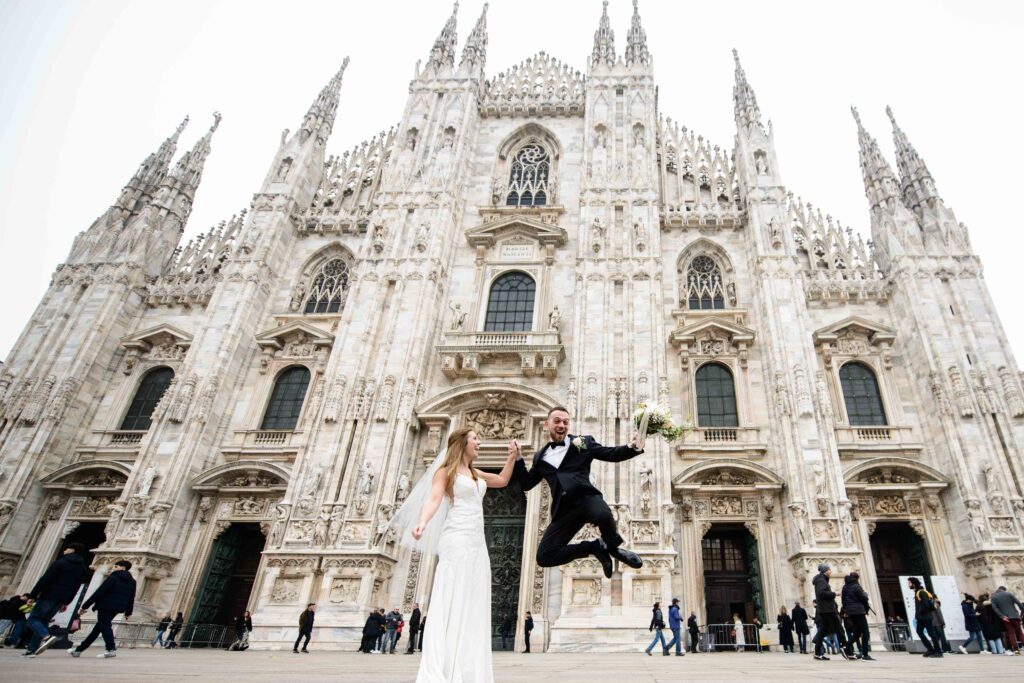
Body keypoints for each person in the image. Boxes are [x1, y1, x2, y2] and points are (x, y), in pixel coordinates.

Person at [394, 427, 520, 683]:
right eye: (476, 438)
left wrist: (511, 457)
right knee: (453, 592)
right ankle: (444, 664)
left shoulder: (476, 473)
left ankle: (464, 663)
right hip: (456, 537)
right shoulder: (445, 472)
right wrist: (422, 522)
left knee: (473, 596)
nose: (480, 442)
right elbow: (433, 499)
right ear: (462, 443)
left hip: (476, 541)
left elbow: (503, 481)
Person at [513, 407, 644, 579]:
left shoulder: (583, 442)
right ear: (547, 424)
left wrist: (633, 447)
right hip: (564, 509)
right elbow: (527, 483)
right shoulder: (540, 457)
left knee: (604, 515)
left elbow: (611, 453)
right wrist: (518, 459)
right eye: (557, 421)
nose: (562, 425)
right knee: (544, 556)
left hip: (585, 497)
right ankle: (595, 547)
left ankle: (613, 549)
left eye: (565, 422)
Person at [23, 542, 88, 657]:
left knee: (33, 619)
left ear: (72, 550)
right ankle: (32, 649)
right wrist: (67, 602)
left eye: (67, 548)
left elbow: (45, 579)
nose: (64, 550)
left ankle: (46, 636)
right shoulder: (82, 567)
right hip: (61, 599)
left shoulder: (61, 562)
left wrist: (32, 595)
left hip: (49, 595)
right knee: (43, 621)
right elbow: (76, 586)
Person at [68, 559, 136, 659]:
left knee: (105, 626)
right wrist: (128, 612)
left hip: (105, 606)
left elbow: (100, 592)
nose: (114, 568)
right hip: (118, 607)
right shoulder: (132, 581)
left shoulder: (113, 577)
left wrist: (85, 606)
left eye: (116, 566)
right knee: (98, 628)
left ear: (123, 567)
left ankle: (111, 649)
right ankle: (79, 650)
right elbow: (131, 597)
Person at [811, 563, 851, 661]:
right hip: (828, 609)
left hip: (824, 609)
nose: (831, 571)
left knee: (823, 630)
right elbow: (821, 593)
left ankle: (817, 653)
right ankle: (845, 650)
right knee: (839, 629)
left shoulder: (821, 580)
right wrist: (835, 593)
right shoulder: (821, 580)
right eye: (829, 569)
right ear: (825, 571)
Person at [841, 571, 873, 660]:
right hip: (859, 611)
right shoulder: (856, 586)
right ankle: (865, 654)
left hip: (851, 612)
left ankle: (846, 647)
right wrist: (865, 595)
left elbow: (843, 601)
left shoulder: (845, 587)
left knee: (857, 633)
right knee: (865, 633)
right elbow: (864, 599)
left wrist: (847, 610)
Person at [908, 577, 942, 657]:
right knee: (919, 631)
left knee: (931, 633)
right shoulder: (917, 592)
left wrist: (919, 613)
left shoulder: (921, 592)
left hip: (926, 617)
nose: (908, 585)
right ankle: (930, 649)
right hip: (921, 618)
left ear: (914, 584)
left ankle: (938, 651)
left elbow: (926, 605)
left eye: (909, 583)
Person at [991, 585, 1024, 655]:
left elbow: (995, 608)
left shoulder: (993, 597)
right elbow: (1020, 604)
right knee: (1020, 632)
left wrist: (1002, 616)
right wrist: (1021, 614)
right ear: (1004, 590)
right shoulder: (1009, 594)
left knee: (1011, 633)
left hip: (1006, 618)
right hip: (1015, 616)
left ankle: (1016, 650)